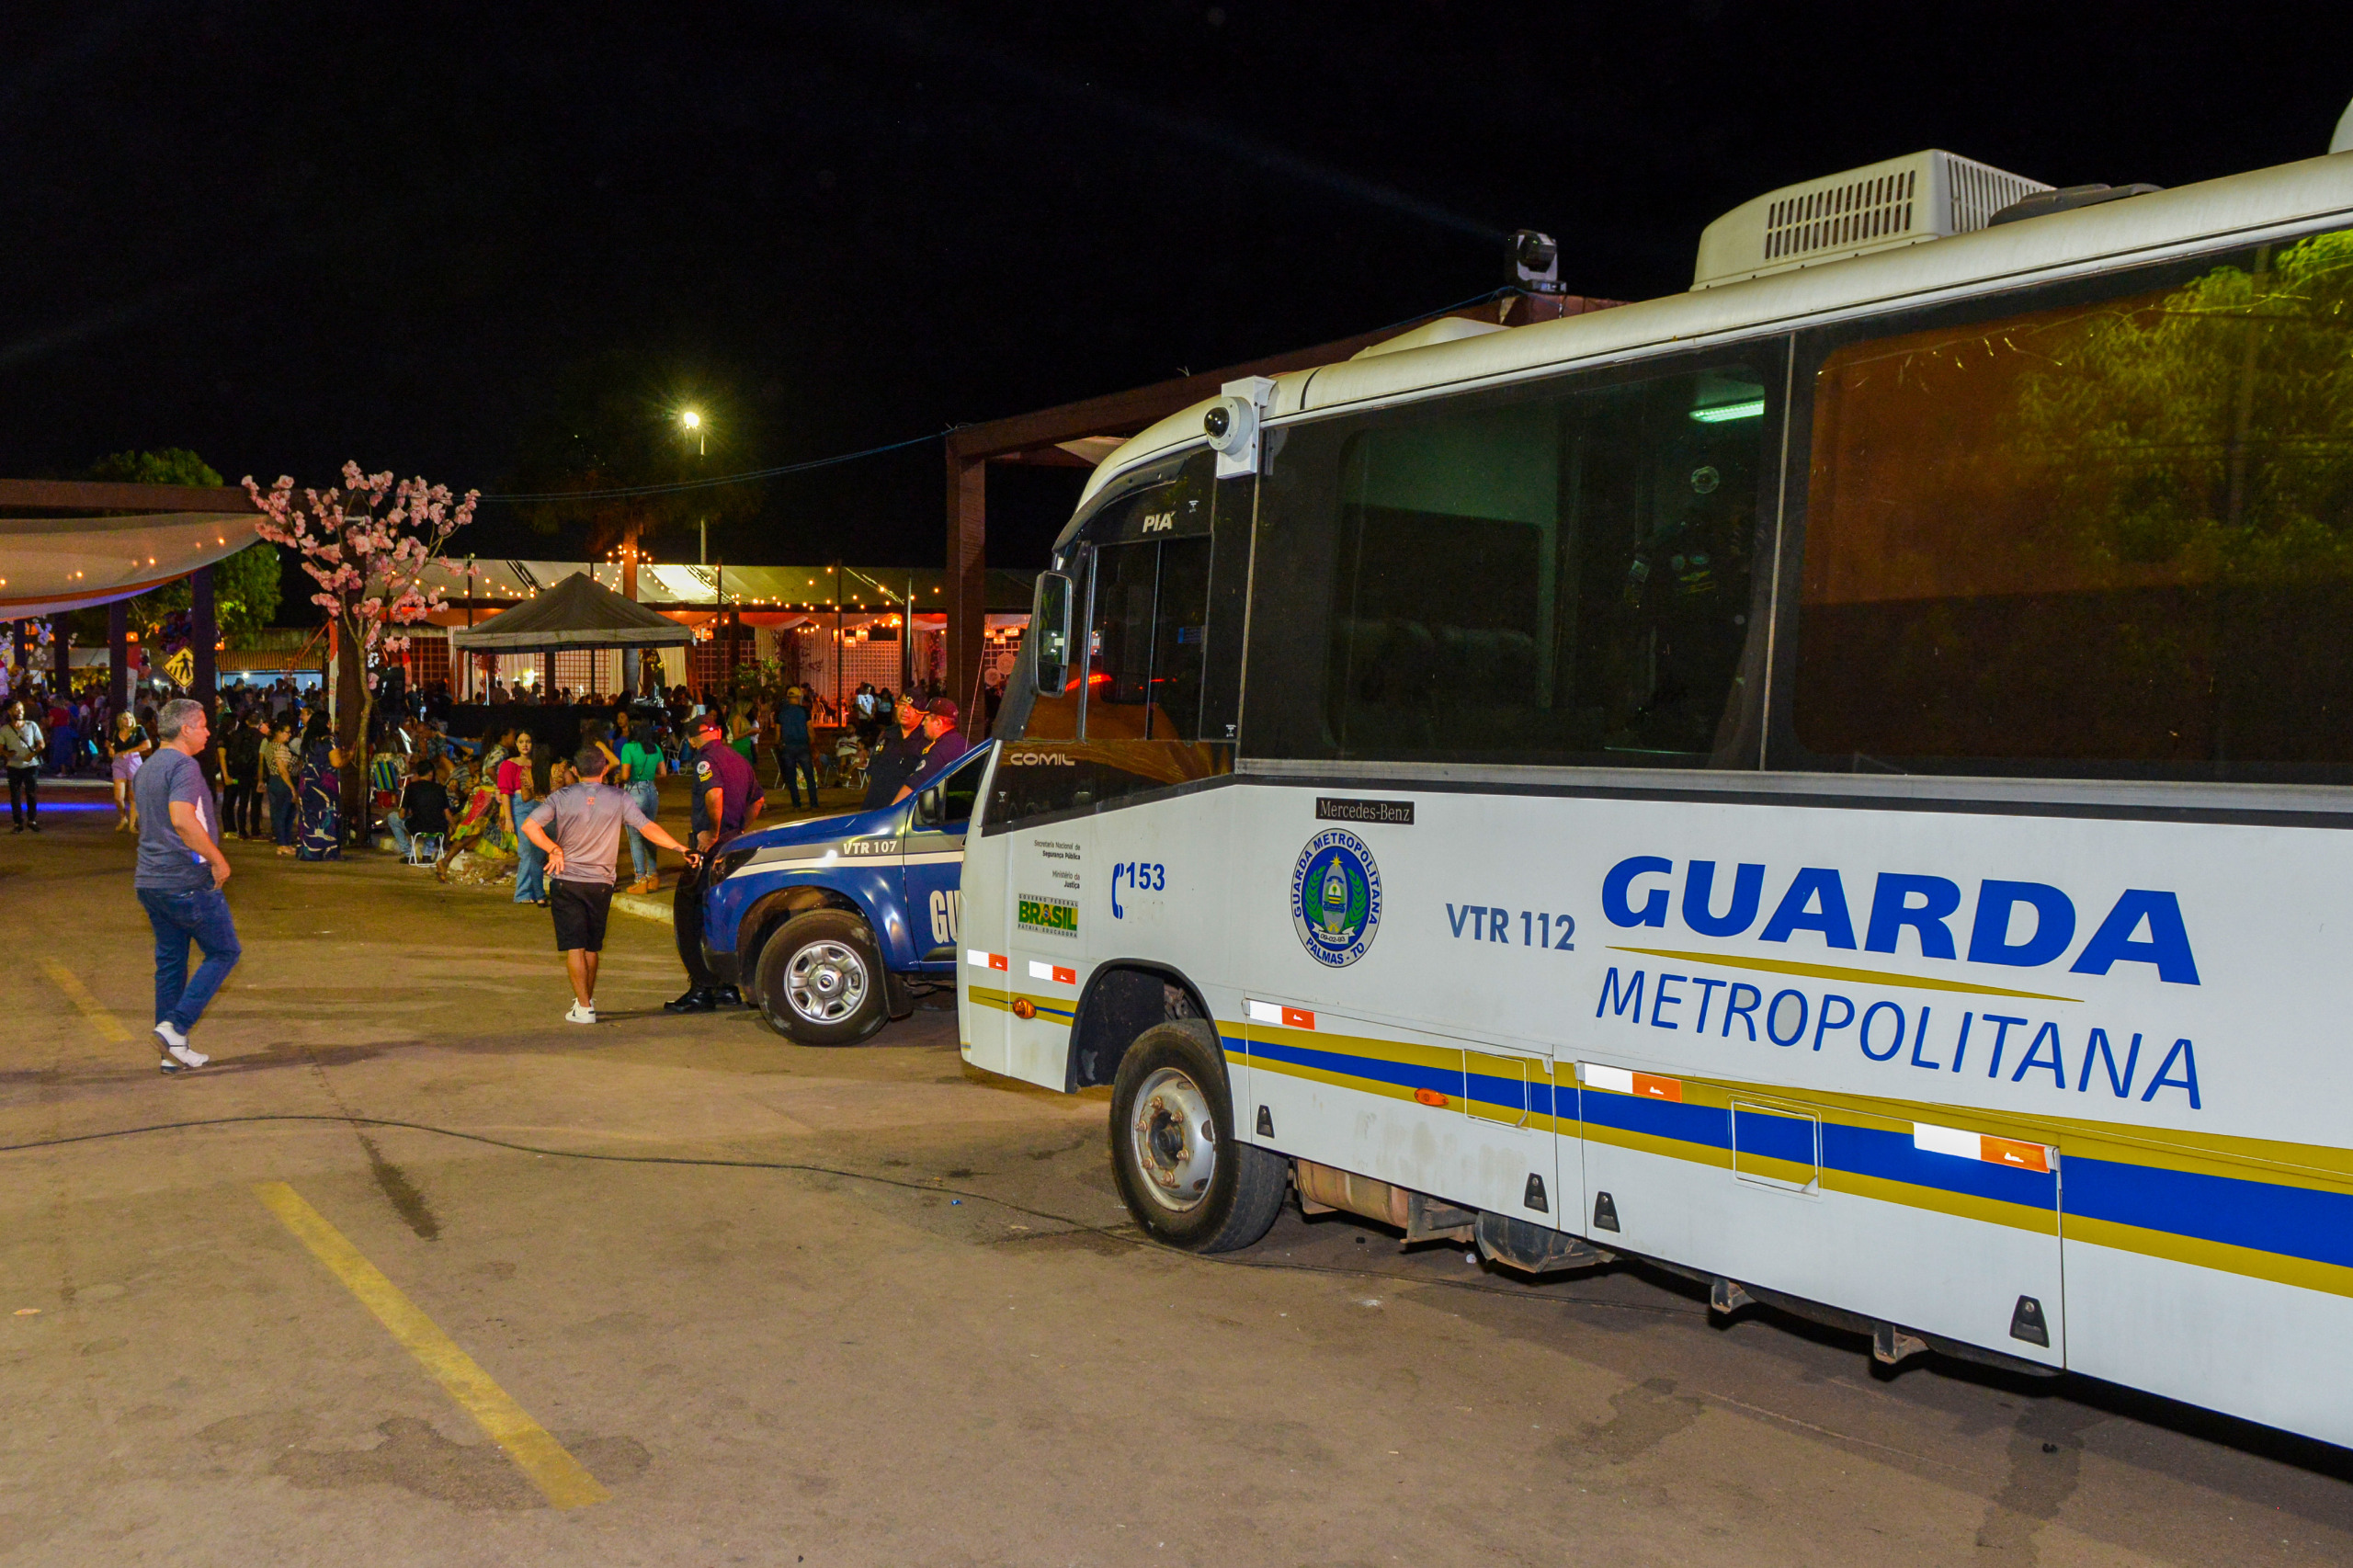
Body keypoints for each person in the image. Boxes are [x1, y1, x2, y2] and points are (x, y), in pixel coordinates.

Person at [521, 745, 699, 1024]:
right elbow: (646, 827)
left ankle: (584, 1006)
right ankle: (585, 1003)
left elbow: (530, 826)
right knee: (591, 947)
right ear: (604, 769)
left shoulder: (562, 797)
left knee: (575, 948)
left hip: (567, 880)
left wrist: (553, 848)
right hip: (601, 884)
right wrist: (679, 848)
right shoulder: (619, 797)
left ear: (575, 771)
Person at [133, 698, 237, 1073]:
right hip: (184, 880)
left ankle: (171, 1051)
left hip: (151, 880)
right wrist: (217, 858)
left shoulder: (147, 768)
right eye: (204, 725)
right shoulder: (184, 766)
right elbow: (181, 820)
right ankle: (175, 1028)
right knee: (224, 952)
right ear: (186, 729)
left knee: (171, 963)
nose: (209, 731)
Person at [664, 710, 765, 1014]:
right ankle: (726, 986)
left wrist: (713, 832)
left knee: (689, 914)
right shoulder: (738, 759)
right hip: (735, 846)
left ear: (694, 739)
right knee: (718, 913)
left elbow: (715, 795)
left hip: (710, 848)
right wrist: (739, 829)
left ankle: (701, 988)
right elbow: (758, 800)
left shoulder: (705, 760)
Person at [617, 718, 667, 893]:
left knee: (635, 837)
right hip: (652, 792)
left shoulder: (628, 748)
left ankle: (640, 879)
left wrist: (619, 778)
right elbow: (663, 773)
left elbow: (625, 774)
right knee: (650, 834)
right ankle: (653, 875)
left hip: (635, 792)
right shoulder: (656, 748)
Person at [893, 697, 972, 803]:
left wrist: (892, 811)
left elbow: (913, 786)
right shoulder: (963, 743)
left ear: (938, 723)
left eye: (926, 719)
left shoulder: (939, 751)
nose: (922, 724)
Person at [860, 691, 930, 810]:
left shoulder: (926, 740)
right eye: (902, 704)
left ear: (922, 712)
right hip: (874, 807)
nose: (905, 710)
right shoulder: (887, 734)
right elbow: (874, 771)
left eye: (912, 707)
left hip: (903, 811)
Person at [500, 731, 546, 903]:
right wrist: (509, 818)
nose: (525, 745)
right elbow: (505, 792)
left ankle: (535, 892)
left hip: (538, 804)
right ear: (516, 744)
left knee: (537, 850)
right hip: (519, 806)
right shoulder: (509, 764)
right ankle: (523, 893)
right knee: (526, 849)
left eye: (528, 741)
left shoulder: (537, 764)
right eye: (521, 741)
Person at [388, 753, 451, 862]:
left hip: (417, 827)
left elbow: (402, 815)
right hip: (438, 827)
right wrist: (455, 829)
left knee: (392, 817)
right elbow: (448, 814)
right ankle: (427, 854)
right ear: (431, 773)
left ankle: (409, 854)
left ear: (418, 773)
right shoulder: (440, 788)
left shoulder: (411, 788)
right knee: (433, 819)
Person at [294, 725, 343, 860]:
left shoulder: (307, 742)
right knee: (327, 813)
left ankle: (308, 851)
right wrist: (349, 756)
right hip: (323, 782)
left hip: (307, 782)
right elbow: (337, 762)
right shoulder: (329, 741)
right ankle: (328, 851)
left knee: (309, 814)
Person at [107, 710, 152, 833]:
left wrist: (129, 751)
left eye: (130, 718)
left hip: (133, 761)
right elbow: (108, 742)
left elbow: (148, 745)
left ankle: (132, 825)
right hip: (119, 762)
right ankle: (123, 818)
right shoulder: (116, 731)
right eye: (126, 718)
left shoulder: (138, 730)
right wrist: (110, 748)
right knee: (118, 797)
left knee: (133, 796)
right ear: (120, 720)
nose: (129, 721)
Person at [773, 686, 818, 809]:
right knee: (809, 776)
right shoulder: (804, 711)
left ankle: (796, 803)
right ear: (799, 697)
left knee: (791, 777)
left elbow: (777, 733)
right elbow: (810, 729)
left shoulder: (781, 712)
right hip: (803, 746)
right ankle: (813, 802)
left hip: (787, 747)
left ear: (788, 698)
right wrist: (813, 744)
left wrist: (777, 744)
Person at [2, 699, 40, 832]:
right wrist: (6, 753)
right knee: (15, 795)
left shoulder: (31, 725)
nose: (20, 712)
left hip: (31, 765)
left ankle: (32, 820)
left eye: (22, 709)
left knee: (31, 793)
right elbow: (0, 747)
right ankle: (18, 823)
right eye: (17, 709)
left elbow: (41, 743)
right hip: (14, 766)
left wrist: (33, 753)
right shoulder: (5, 729)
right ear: (10, 711)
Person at [264, 719, 299, 856]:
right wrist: (292, 788)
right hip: (282, 782)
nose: (289, 735)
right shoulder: (280, 748)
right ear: (278, 733)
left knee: (282, 813)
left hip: (274, 781)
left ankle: (284, 843)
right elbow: (283, 770)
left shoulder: (270, 746)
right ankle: (283, 844)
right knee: (284, 814)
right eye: (287, 732)